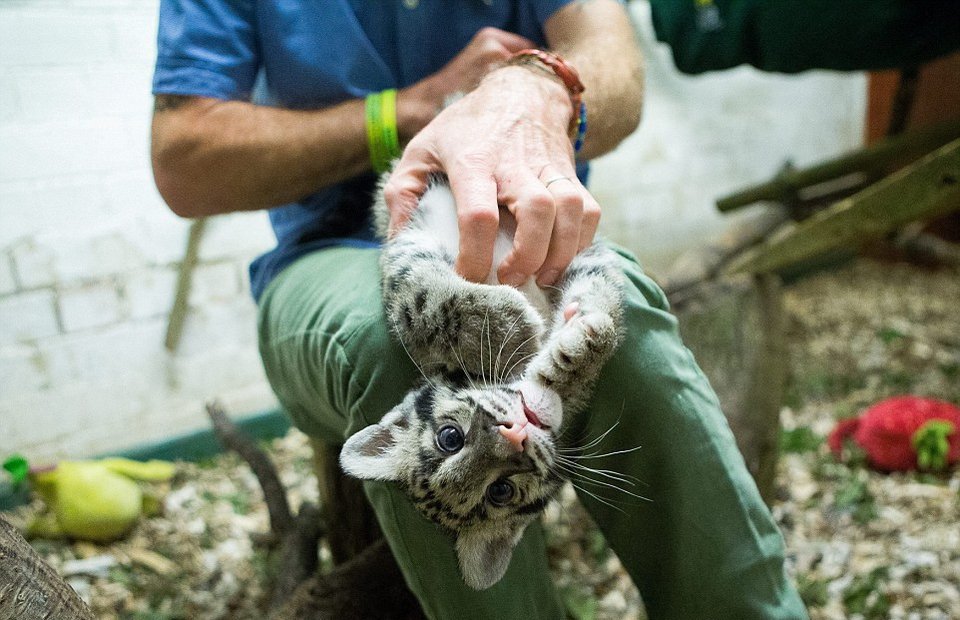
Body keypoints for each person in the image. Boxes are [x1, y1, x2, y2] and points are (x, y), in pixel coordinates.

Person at [150, 1, 807, 618]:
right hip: (326, 248)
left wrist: (539, 89)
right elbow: (184, 156)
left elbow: (616, 65)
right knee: (399, 348)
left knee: (623, 327)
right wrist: (411, 113)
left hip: (519, 223)